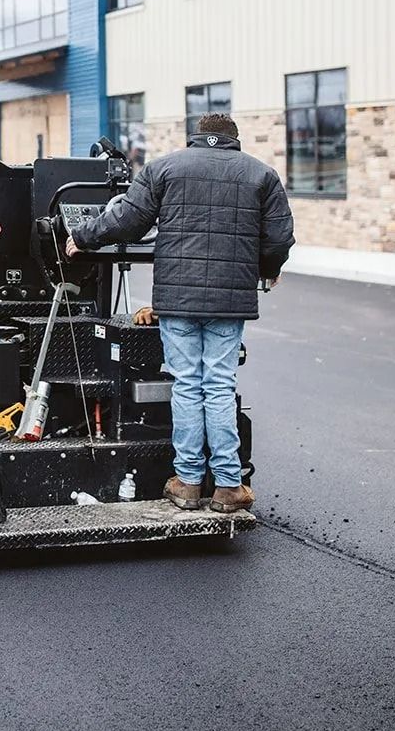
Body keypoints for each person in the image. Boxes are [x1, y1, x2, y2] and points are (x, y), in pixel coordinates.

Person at [66, 112, 293, 513]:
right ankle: (227, 487)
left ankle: (187, 482)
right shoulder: (262, 175)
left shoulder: (165, 167)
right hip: (229, 301)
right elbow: (278, 239)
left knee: (187, 385)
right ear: (233, 141)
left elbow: (127, 220)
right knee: (219, 385)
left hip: (177, 299)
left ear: (196, 137)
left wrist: (82, 238)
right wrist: (267, 270)